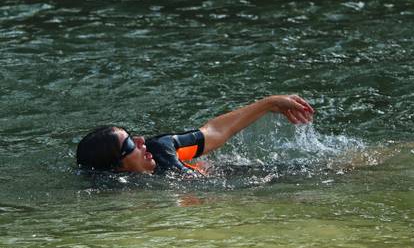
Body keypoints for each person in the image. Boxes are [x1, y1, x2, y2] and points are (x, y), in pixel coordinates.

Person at [76, 95, 315, 174]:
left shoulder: (163, 148)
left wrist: (269, 104)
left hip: (238, 175)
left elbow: (215, 130)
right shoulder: (113, 194)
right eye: (130, 144)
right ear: (116, 167)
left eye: (133, 136)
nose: (141, 141)